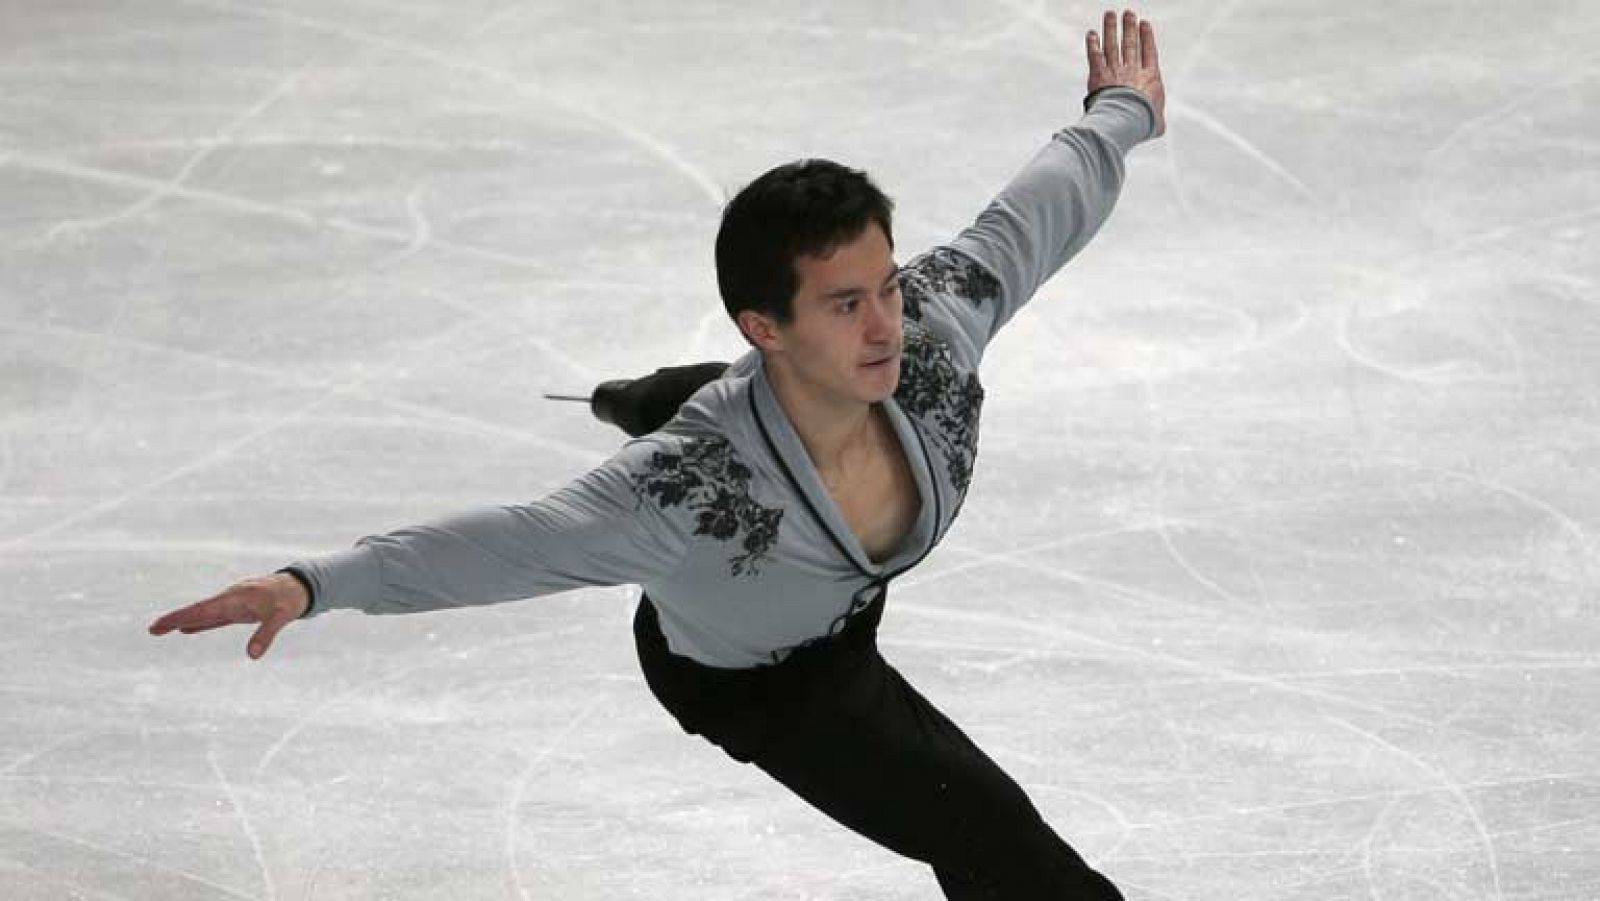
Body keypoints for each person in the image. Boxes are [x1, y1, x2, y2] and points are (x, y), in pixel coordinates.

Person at [150, 9, 1167, 898]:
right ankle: (650, 400)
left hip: (810, 533)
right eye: (845, 304)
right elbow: (504, 544)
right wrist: (311, 582)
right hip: (767, 676)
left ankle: (648, 394)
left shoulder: (931, 331)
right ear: (763, 324)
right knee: (984, 825)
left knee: (696, 404)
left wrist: (1118, 109)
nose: (886, 326)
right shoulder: (679, 498)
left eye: (886, 286)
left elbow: (1032, 213)